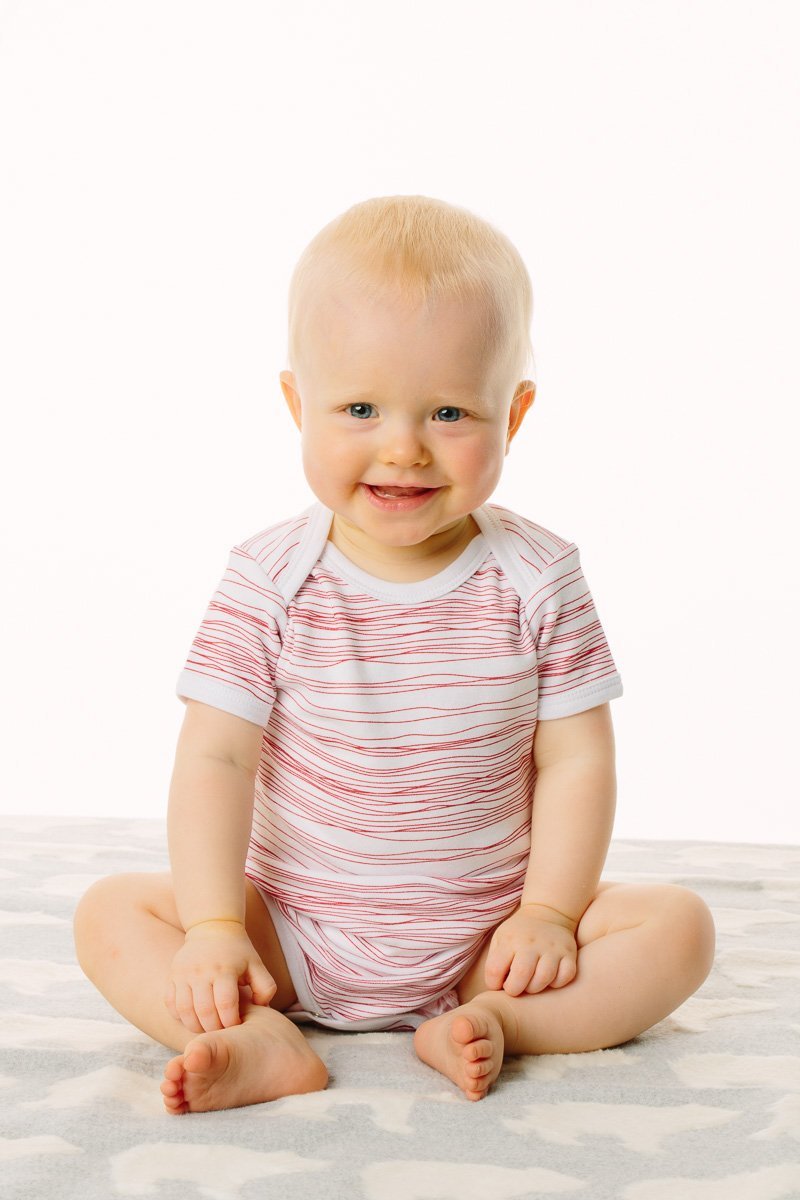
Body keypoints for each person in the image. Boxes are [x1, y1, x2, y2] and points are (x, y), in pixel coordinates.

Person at [74, 195, 715, 1114]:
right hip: (291, 934)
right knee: (112, 915)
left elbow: (576, 759)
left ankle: (499, 1023)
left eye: (450, 411)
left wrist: (547, 915)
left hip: (491, 941)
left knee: (679, 929)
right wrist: (217, 927)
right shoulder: (268, 577)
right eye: (361, 407)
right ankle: (253, 1035)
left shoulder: (539, 575)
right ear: (299, 404)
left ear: (515, 414)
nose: (404, 447)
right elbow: (216, 756)